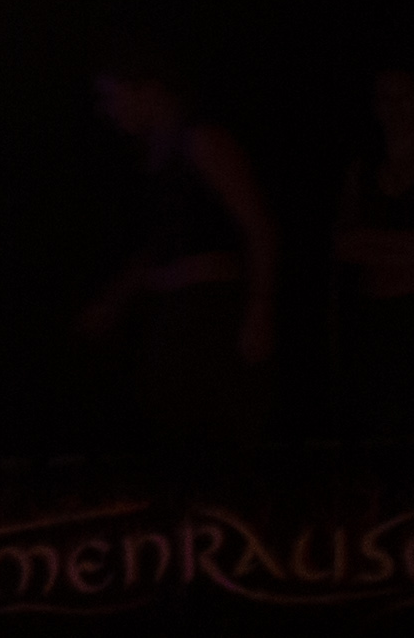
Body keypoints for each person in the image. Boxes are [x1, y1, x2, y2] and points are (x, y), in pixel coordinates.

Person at [77, 38, 278, 455]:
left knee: (216, 435)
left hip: (211, 313)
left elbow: (258, 225)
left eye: (113, 97)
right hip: (174, 315)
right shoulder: (154, 155)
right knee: (172, 433)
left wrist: (260, 309)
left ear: (149, 88)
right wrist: (114, 300)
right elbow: (158, 244)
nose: (108, 110)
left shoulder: (201, 140)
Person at [330, 58, 414, 437]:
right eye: (385, 98)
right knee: (373, 422)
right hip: (370, 315)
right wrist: (411, 246)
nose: (394, 108)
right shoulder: (361, 170)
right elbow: (342, 244)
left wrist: (370, 241)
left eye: (402, 97)